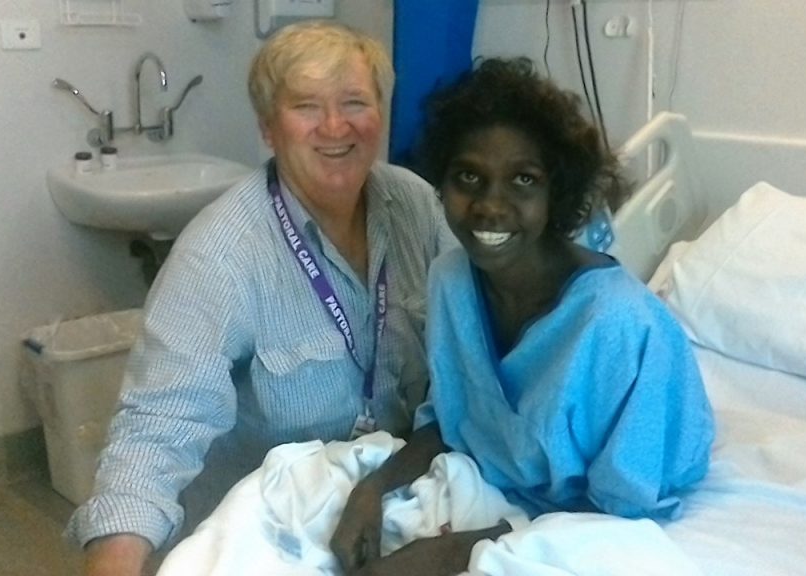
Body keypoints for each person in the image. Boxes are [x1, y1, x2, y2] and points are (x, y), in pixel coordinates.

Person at [67, 21, 456, 576]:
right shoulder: (220, 253)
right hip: (267, 532)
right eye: (306, 106)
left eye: (354, 102)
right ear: (268, 128)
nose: (335, 126)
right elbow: (159, 424)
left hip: (392, 503)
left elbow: (471, 348)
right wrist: (114, 561)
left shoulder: (416, 207)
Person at [330, 57, 715, 575]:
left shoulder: (619, 326)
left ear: (558, 193)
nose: (490, 205)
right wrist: (372, 489)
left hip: (594, 522)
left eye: (523, 180)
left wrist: (463, 549)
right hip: (494, 492)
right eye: (469, 176)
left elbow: (624, 511)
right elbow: (452, 420)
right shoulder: (451, 278)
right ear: (441, 181)